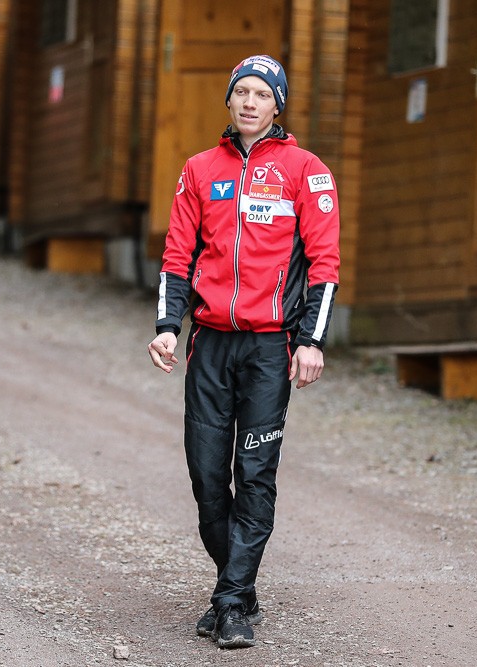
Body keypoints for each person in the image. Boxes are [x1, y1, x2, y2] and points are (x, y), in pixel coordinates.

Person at [147, 54, 340, 649]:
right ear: (229, 100)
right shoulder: (199, 170)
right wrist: (168, 326)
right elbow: (177, 255)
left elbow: (325, 265)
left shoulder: (307, 171)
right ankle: (241, 586)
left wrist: (310, 341)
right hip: (208, 345)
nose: (250, 102)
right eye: (242, 92)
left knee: (254, 475)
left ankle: (232, 602)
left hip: (269, 349)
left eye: (262, 94)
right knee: (207, 479)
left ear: (277, 105)